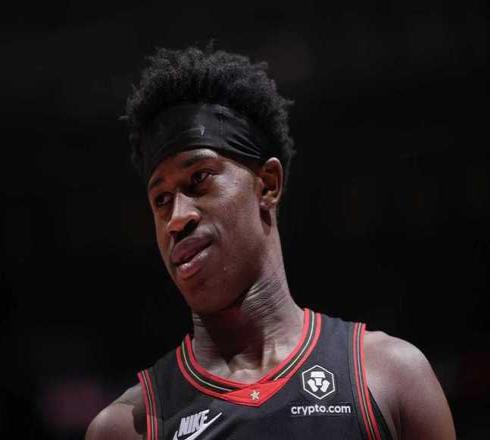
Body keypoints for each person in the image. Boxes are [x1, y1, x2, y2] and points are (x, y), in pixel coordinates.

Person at [86, 45, 456, 440]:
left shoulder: (390, 376)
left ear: (267, 185)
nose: (176, 218)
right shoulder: (126, 428)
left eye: (199, 179)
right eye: (161, 200)